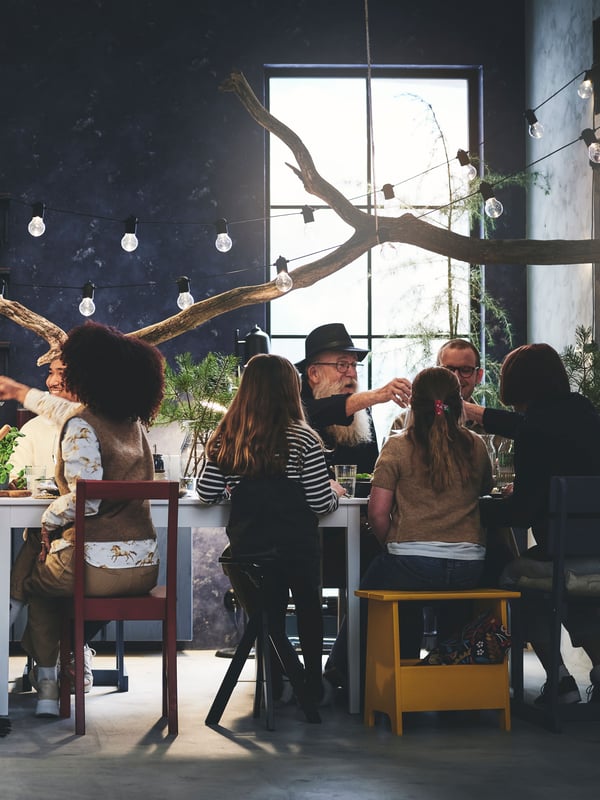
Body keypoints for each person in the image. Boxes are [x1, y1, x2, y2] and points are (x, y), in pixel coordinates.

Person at [1, 321, 165, 718]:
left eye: (69, 368)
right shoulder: (133, 423)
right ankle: (63, 665)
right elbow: (63, 410)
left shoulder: (81, 426)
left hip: (96, 568)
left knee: (37, 583)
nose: (63, 375)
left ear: (87, 373)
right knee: (43, 563)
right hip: (144, 569)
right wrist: (20, 391)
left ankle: (46, 685)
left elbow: (85, 502)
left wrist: (49, 518)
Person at [324, 366, 493, 690]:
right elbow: (484, 491)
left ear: (413, 405)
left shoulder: (398, 446)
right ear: (459, 404)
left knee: (367, 596)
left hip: (412, 564)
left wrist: (394, 545)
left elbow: (377, 513)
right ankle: (453, 687)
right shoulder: (476, 446)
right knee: (453, 604)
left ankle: (343, 673)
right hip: (469, 567)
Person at [197, 353, 345, 706]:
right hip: (297, 549)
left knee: (268, 609)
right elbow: (320, 504)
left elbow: (205, 493)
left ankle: (275, 683)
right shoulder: (304, 438)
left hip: (251, 550)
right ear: (290, 390)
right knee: (308, 607)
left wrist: (235, 488)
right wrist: (335, 493)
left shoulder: (228, 437)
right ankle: (312, 682)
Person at [463, 342, 600, 704]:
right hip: (596, 552)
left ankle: (559, 681)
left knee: (513, 576)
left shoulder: (534, 431)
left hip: (562, 554)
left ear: (517, 382)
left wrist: (475, 508)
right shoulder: (587, 414)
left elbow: (522, 515)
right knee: (579, 595)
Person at [296, 323, 411, 475]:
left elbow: (372, 469)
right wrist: (377, 395)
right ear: (314, 374)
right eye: (342, 365)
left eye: (354, 365)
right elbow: (319, 410)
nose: (352, 373)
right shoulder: (295, 406)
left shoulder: (362, 410)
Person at [389, 338, 484, 434]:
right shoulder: (404, 423)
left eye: (465, 370)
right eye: (448, 370)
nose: (456, 377)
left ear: (479, 376)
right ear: (436, 373)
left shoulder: (489, 425)